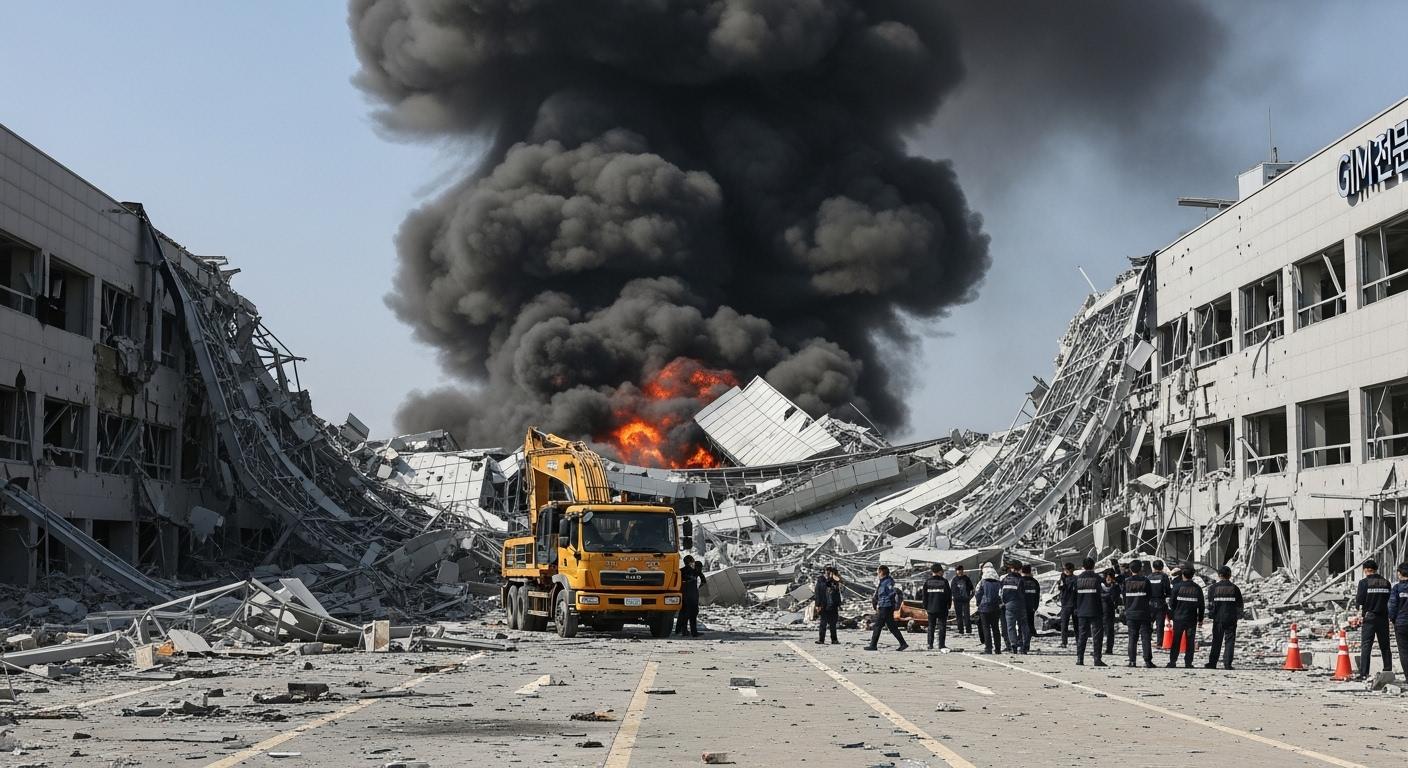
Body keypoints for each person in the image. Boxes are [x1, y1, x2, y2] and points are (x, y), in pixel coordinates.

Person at [1354, 559, 1394, 680]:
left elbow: (1360, 601)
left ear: (1365, 570)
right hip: (1383, 617)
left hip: (1369, 617)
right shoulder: (1386, 583)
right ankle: (1388, 670)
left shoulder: (1364, 583)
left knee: (1366, 646)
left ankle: (1364, 673)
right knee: (1385, 645)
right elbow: (1389, 600)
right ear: (1376, 570)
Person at [1205, 566, 1243, 670]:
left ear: (1219, 575)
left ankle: (1212, 663)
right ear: (1230, 575)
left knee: (1216, 640)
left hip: (1218, 619)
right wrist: (1238, 616)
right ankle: (1227, 664)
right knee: (1230, 641)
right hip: (1231, 618)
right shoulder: (1235, 588)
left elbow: (1210, 605)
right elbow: (1239, 605)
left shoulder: (1213, 588)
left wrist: (1212, 615)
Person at [1166, 566, 1204, 669]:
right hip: (1191, 619)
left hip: (1178, 618)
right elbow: (1201, 606)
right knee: (1190, 641)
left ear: (1182, 574)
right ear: (1193, 575)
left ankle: (1172, 662)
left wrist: (1173, 614)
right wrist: (1200, 619)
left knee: (1176, 641)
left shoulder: (1177, 587)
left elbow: (1171, 603)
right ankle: (1188, 663)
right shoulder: (1197, 588)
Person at [865, 565, 908, 651]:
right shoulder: (882, 582)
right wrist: (875, 602)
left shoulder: (888, 582)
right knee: (891, 626)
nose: (877, 574)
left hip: (886, 606)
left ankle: (873, 645)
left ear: (881, 572)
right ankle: (903, 643)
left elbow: (893, 592)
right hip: (884, 606)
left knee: (878, 625)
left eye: (878, 572)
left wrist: (890, 602)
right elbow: (878, 594)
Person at [1073, 558, 1105, 666]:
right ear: (1093, 565)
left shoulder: (1078, 579)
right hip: (1095, 610)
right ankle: (1097, 659)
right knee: (1097, 636)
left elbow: (1074, 595)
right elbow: (1104, 592)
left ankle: (1079, 659)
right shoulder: (1097, 578)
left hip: (1082, 611)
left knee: (1082, 636)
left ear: (1083, 566)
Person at [1122, 560, 1155, 668]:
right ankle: (1147, 661)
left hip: (1131, 613)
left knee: (1132, 638)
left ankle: (1132, 661)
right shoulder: (1146, 581)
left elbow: (1124, 598)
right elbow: (1150, 596)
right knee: (1145, 637)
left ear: (1130, 569)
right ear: (1141, 569)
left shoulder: (1126, 582)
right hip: (1144, 613)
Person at [921, 563, 952, 650]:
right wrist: (949, 605)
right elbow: (948, 595)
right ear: (939, 571)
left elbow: (924, 596)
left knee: (931, 626)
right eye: (942, 571)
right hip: (942, 608)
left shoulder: (927, 582)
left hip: (931, 608)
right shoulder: (944, 582)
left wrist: (925, 606)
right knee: (942, 627)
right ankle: (941, 645)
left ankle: (930, 644)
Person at [675, 557, 707, 637]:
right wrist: (697, 588)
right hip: (693, 596)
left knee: (684, 613)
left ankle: (682, 630)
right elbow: (703, 581)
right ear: (690, 562)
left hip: (683, 595)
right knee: (693, 614)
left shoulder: (680, 571)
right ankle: (694, 632)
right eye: (692, 561)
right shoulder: (696, 571)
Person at [976, 563, 1003, 654]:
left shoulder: (982, 582)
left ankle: (988, 648)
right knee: (995, 628)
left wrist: (978, 603)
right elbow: (1001, 595)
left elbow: (978, 593)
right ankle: (998, 649)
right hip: (996, 608)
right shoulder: (999, 582)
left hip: (984, 608)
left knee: (986, 628)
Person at [814, 566, 843, 645]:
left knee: (833, 624)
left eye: (830, 571)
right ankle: (821, 639)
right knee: (823, 623)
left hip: (833, 605)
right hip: (824, 605)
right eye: (827, 571)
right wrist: (817, 604)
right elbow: (817, 593)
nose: (828, 572)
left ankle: (834, 639)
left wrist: (839, 603)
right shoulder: (821, 580)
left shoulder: (834, 581)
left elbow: (838, 592)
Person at [1389, 563, 1408, 677]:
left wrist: (1392, 619)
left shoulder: (1397, 588)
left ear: (1399, 574)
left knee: (1404, 651)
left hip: (1401, 624)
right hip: (1401, 622)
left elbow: (1392, 606)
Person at [1148, 560, 1171, 645]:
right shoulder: (1164, 577)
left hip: (1150, 603)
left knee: (1149, 622)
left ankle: (1147, 638)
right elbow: (1168, 590)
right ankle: (1159, 642)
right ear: (1162, 567)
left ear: (1153, 567)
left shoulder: (1149, 577)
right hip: (1161, 602)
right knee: (1160, 624)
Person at [1056, 563, 1077, 647]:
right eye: (1065, 569)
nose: (1067, 571)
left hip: (1074, 604)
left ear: (1072, 570)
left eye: (1068, 569)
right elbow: (1060, 588)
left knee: (1076, 625)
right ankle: (1064, 642)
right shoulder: (1063, 579)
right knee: (1064, 625)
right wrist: (1061, 580)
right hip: (1065, 604)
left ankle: (1078, 641)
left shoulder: (1075, 579)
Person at [1101, 569, 1120, 657]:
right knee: (1099, 631)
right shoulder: (1100, 585)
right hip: (1100, 611)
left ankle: (1109, 649)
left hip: (1110, 611)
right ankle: (1098, 648)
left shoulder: (1115, 586)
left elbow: (1116, 598)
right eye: (1107, 576)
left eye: (1110, 576)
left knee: (1110, 631)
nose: (1108, 578)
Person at [951, 565, 975, 635]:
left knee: (967, 616)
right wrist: (954, 598)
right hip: (957, 601)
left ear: (963, 570)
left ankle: (968, 630)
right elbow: (952, 590)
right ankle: (960, 630)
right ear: (956, 571)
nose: (960, 571)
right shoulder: (954, 579)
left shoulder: (966, 579)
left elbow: (972, 589)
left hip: (965, 600)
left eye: (961, 570)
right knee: (959, 616)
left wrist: (970, 597)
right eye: (958, 570)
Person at [1020, 564, 1041, 640]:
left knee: (1022, 622)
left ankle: (1024, 634)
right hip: (1031, 605)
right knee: (1030, 620)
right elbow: (1037, 595)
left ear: (1022, 571)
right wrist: (1035, 606)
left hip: (1022, 605)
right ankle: (1032, 632)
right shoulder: (1034, 582)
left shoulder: (1020, 581)